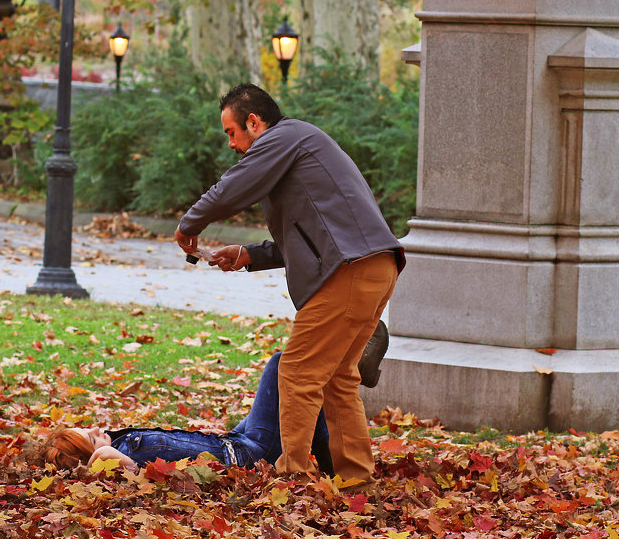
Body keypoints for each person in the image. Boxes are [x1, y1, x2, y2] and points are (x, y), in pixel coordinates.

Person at [174, 83, 404, 484]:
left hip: (348, 272)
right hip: (374, 267)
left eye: (231, 132)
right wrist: (248, 254)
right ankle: (356, 481)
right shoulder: (300, 146)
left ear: (253, 121)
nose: (230, 144)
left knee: (296, 373)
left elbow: (233, 187)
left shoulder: (284, 136)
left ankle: (293, 483)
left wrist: (188, 225)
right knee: (338, 380)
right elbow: (308, 237)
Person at [33, 353, 332, 472]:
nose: (99, 429)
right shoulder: (124, 462)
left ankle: (330, 457)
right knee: (281, 364)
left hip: (235, 439)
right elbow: (113, 463)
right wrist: (93, 460)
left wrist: (90, 447)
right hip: (248, 453)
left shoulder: (121, 444)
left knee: (301, 402)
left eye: (89, 429)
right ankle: (345, 366)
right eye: (93, 438)